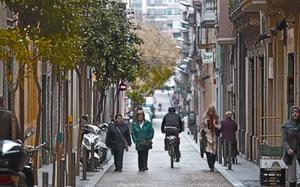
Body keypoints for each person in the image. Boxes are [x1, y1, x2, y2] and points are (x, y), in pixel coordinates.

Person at [282, 106, 300, 187]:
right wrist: (288, 149)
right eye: (293, 112)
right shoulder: (286, 125)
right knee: (292, 175)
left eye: (296, 112)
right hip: (291, 153)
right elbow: (284, 140)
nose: (294, 113)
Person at [200, 105, 220, 172]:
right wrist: (201, 135)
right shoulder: (205, 117)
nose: (211, 112)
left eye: (212, 111)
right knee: (208, 152)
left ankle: (212, 165)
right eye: (210, 111)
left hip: (214, 136)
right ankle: (210, 166)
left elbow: (219, 126)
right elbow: (202, 127)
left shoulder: (216, 117)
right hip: (207, 136)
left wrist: (215, 125)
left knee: (214, 152)